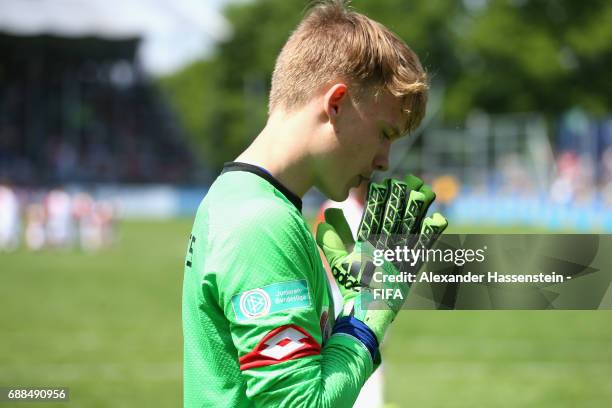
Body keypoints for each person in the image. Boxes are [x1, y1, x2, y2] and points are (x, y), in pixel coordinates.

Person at [182, 1, 444, 406]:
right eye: (384, 133)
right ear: (335, 103)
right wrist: (367, 318)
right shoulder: (263, 223)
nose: (384, 161)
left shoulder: (237, 196)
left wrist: (349, 304)